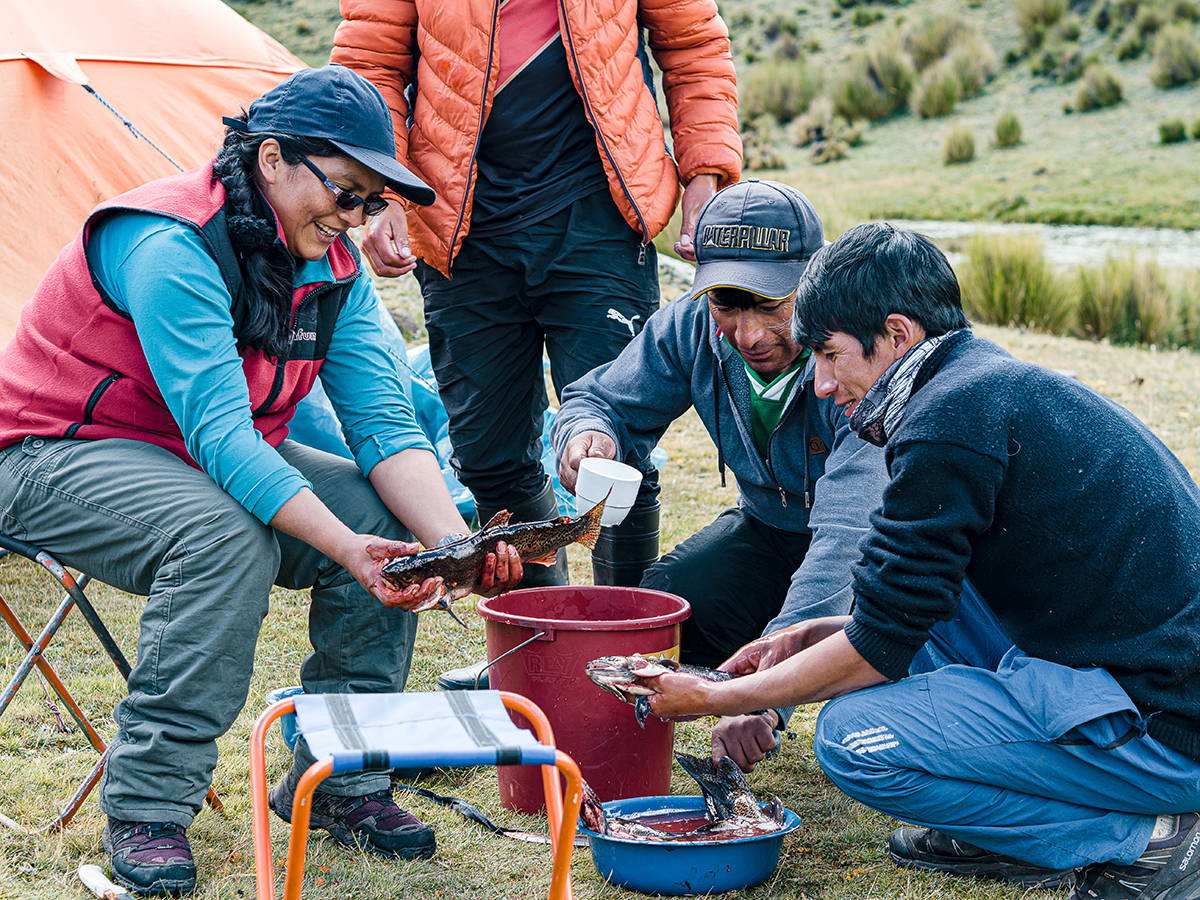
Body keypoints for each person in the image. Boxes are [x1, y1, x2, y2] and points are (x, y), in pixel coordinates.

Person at [0, 66, 522, 896]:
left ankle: (342, 779)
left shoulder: (332, 265)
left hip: (191, 454)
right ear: (271, 159)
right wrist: (352, 550)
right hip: (52, 452)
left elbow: (384, 423)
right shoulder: (170, 243)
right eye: (344, 192)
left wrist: (449, 546)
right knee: (223, 535)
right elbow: (221, 436)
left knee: (373, 504)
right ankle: (149, 806)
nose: (352, 219)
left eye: (367, 202)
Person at [637, 223, 1200, 900]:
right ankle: (1015, 829)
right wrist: (813, 634)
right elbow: (902, 605)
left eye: (828, 354)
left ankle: (1149, 840)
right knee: (932, 602)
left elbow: (876, 649)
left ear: (897, 336)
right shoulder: (976, 381)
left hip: (1167, 721)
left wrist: (717, 697)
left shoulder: (948, 420)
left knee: (853, 741)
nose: (819, 383)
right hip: (1129, 666)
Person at [331, 0, 741, 688]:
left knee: (618, 452)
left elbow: (694, 43)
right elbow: (369, 66)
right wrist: (377, 196)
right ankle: (539, 657)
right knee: (491, 461)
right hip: (459, 225)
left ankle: (629, 662)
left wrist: (705, 175)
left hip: (601, 215)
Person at [553, 180, 887, 769]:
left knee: (878, 672)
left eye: (770, 304)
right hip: (766, 529)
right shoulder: (688, 328)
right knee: (656, 616)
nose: (748, 334)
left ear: (817, 281)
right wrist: (587, 435)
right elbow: (599, 398)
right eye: (726, 305)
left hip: (879, 548)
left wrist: (761, 696)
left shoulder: (860, 355)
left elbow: (845, 544)